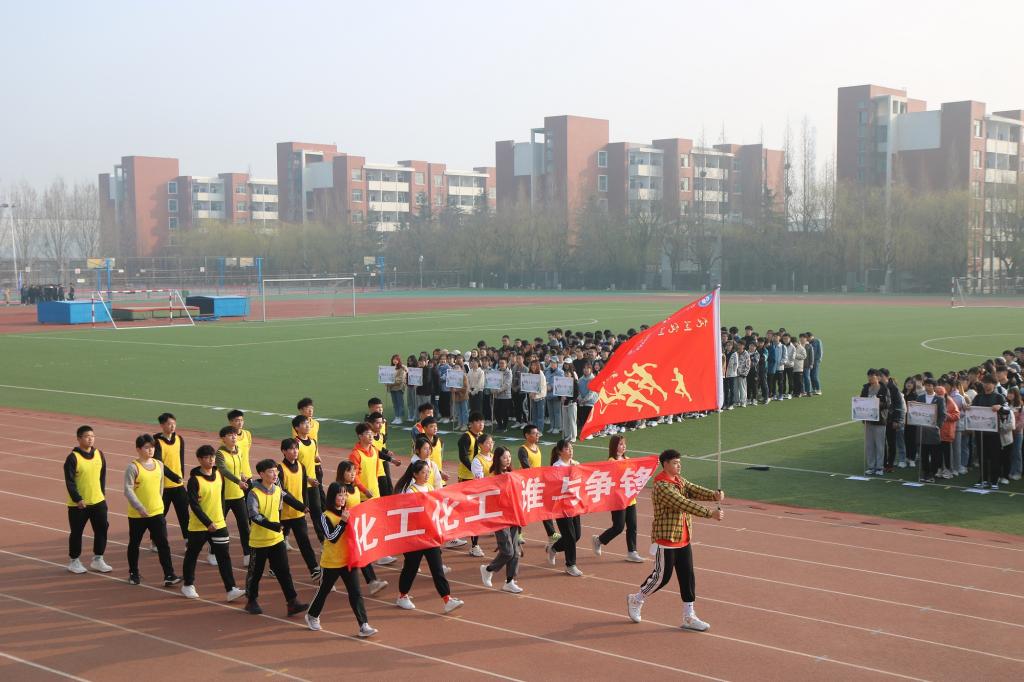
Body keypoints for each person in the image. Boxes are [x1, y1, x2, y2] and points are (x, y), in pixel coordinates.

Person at [626, 449, 724, 631]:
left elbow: (692, 489)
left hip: (683, 537)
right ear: (665, 464)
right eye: (675, 463)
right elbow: (683, 503)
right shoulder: (662, 486)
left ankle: (689, 615)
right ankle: (636, 599)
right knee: (662, 577)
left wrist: (713, 495)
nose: (679, 465)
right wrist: (710, 513)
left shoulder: (678, 480)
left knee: (687, 577)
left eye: (679, 462)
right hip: (666, 539)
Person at [304, 481, 378, 637]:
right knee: (324, 591)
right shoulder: (325, 516)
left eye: (345, 494)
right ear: (332, 496)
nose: (343, 498)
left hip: (348, 560)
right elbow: (331, 538)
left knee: (356, 593)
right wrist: (343, 522)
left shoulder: (349, 512)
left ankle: (363, 625)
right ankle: (312, 615)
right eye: (340, 495)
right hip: (331, 562)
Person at [393, 460, 465, 613]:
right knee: (411, 568)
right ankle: (402, 596)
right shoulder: (410, 492)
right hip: (415, 538)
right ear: (415, 474)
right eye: (423, 472)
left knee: (437, 568)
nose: (427, 475)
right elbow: (411, 514)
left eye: (428, 472)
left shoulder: (430, 488)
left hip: (430, 536)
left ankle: (447, 599)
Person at [243, 458, 309, 617]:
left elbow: (288, 498)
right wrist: (273, 525)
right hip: (259, 542)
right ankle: (251, 600)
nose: (275, 474)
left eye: (276, 471)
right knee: (255, 573)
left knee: (284, 571)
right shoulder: (253, 493)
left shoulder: (277, 489)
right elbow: (254, 516)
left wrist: (303, 507)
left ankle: (292, 602)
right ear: (261, 474)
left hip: (276, 539)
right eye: (271, 472)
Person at [181, 445, 246, 602]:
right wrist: (207, 522)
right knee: (192, 555)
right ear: (199, 459)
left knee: (224, 557)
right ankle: (188, 585)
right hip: (199, 526)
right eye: (207, 457)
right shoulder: (194, 481)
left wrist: (220, 517)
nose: (211, 460)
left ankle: (231, 589)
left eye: (212, 457)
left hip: (219, 524)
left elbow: (221, 497)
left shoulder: (219, 475)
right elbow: (194, 505)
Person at [124, 434, 179, 586]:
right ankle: (133, 573)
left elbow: (160, 486)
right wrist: (139, 507)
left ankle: (169, 575)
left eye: (152, 447)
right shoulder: (133, 467)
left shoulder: (159, 465)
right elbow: (128, 490)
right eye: (147, 447)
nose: (150, 450)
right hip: (137, 515)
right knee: (134, 544)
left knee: (163, 544)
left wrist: (158, 503)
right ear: (138, 449)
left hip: (156, 512)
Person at [334, 461, 389, 595]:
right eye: (349, 471)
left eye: (354, 471)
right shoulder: (339, 489)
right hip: (344, 528)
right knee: (339, 558)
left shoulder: (355, 489)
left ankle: (372, 582)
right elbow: (335, 508)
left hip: (355, 527)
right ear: (342, 473)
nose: (353, 474)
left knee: (360, 554)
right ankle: (325, 579)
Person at [65, 425, 111, 574]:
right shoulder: (73, 458)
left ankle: (98, 559)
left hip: (98, 501)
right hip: (79, 505)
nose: (90, 439)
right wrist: (77, 499)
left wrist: (101, 494)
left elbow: (102, 476)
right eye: (86, 436)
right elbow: (70, 482)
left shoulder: (99, 454)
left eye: (92, 436)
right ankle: (74, 561)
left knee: (102, 529)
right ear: (79, 439)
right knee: (77, 532)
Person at [479, 447, 524, 593]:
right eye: (505, 457)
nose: (508, 460)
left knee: (515, 552)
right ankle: (488, 569)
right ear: (498, 459)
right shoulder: (493, 476)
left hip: (513, 516)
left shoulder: (512, 475)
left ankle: (510, 581)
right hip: (499, 518)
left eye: (509, 457)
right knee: (508, 552)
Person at [592, 435, 643, 562]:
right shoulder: (611, 461)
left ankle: (632, 552)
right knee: (618, 527)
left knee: (632, 526)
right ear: (614, 446)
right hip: (618, 499)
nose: (623, 446)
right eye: (620, 444)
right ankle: (599, 540)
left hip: (630, 498)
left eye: (624, 443)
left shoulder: (628, 459)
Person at [277, 438, 321, 581]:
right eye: (291, 449)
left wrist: (304, 504)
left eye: (296, 448)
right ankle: (273, 567)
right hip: (282, 514)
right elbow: (282, 492)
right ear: (284, 451)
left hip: (298, 514)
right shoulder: (279, 469)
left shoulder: (301, 466)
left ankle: (314, 569)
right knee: (278, 545)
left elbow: (303, 489)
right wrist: (300, 506)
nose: (295, 451)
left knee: (304, 542)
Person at [213, 425, 251, 567]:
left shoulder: (239, 450)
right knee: (218, 526)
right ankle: (213, 553)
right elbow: (223, 470)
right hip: (224, 496)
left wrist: (241, 475)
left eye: (235, 434)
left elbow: (238, 468)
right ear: (223, 439)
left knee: (244, 526)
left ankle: (248, 555)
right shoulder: (219, 453)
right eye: (230, 435)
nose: (234, 437)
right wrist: (238, 481)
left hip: (238, 495)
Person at [546, 439, 583, 577]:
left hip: (573, 504)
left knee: (576, 535)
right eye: (567, 449)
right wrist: (571, 472)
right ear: (560, 451)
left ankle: (554, 548)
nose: (571, 451)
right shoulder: (556, 467)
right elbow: (557, 486)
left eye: (571, 448)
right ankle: (570, 565)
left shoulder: (575, 463)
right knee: (570, 536)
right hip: (561, 506)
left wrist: (577, 469)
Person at [517, 423, 559, 543]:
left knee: (544, 507)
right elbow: (526, 467)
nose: (538, 435)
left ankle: (551, 534)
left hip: (536, 483)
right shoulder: (523, 450)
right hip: (525, 484)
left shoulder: (536, 447)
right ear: (527, 435)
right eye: (535, 434)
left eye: (538, 433)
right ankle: (517, 534)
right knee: (522, 509)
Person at [153, 413, 188, 548]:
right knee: (160, 516)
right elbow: (159, 464)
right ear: (162, 425)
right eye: (169, 424)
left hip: (178, 485)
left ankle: (188, 540)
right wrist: (174, 476)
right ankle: (155, 541)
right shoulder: (157, 442)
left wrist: (181, 476)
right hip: (163, 487)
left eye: (174, 423)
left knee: (184, 515)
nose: (172, 426)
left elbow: (181, 459)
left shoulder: (179, 439)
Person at [291, 414, 324, 543]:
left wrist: (315, 458)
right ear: (297, 428)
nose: (308, 426)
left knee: (317, 513)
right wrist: (307, 478)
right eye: (304, 424)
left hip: (313, 484)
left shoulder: (313, 442)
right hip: (299, 485)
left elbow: (311, 459)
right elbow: (293, 465)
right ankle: (284, 536)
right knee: (296, 514)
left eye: (308, 423)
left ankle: (323, 541)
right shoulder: (295, 444)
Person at [468, 432, 496, 557]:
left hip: (493, 493)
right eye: (487, 443)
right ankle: (474, 546)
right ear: (480, 445)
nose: (490, 445)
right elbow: (480, 480)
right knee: (477, 521)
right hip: (481, 494)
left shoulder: (494, 457)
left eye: (492, 442)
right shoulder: (477, 460)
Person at [860, 369, 890, 476]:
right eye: (868, 376)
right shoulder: (865, 388)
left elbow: (887, 404)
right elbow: (861, 401)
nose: (869, 378)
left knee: (880, 445)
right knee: (869, 445)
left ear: (878, 377)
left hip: (880, 421)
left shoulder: (884, 389)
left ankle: (879, 467)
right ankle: (871, 466)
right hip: (868, 420)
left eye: (872, 376)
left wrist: (877, 403)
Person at [386, 354, 408, 424]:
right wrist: (386, 382)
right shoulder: (390, 368)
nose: (395, 361)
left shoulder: (402, 368)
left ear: (399, 360)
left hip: (399, 388)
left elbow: (401, 379)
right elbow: (387, 377)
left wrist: (391, 382)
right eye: (393, 359)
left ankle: (400, 417)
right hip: (392, 388)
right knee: (395, 403)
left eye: (396, 359)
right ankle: (396, 416)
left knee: (400, 403)